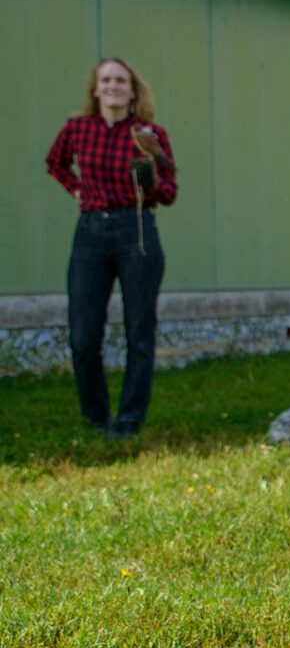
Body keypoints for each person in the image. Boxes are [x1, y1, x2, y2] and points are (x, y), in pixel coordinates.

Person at [44, 57, 178, 438]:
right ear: (95, 88)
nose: (113, 86)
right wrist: (76, 189)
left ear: (133, 91)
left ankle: (129, 419)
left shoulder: (148, 134)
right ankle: (96, 416)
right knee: (83, 334)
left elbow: (169, 193)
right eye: (106, 80)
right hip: (90, 232)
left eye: (121, 80)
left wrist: (149, 182)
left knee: (139, 329)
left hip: (135, 230)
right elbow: (54, 163)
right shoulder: (77, 129)